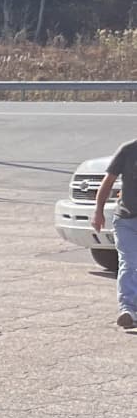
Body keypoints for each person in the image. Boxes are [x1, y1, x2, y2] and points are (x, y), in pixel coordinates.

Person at [92, 137, 137, 331]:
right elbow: (108, 181)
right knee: (129, 261)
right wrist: (98, 210)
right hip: (126, 219)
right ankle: (127, 309)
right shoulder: (128, 150)